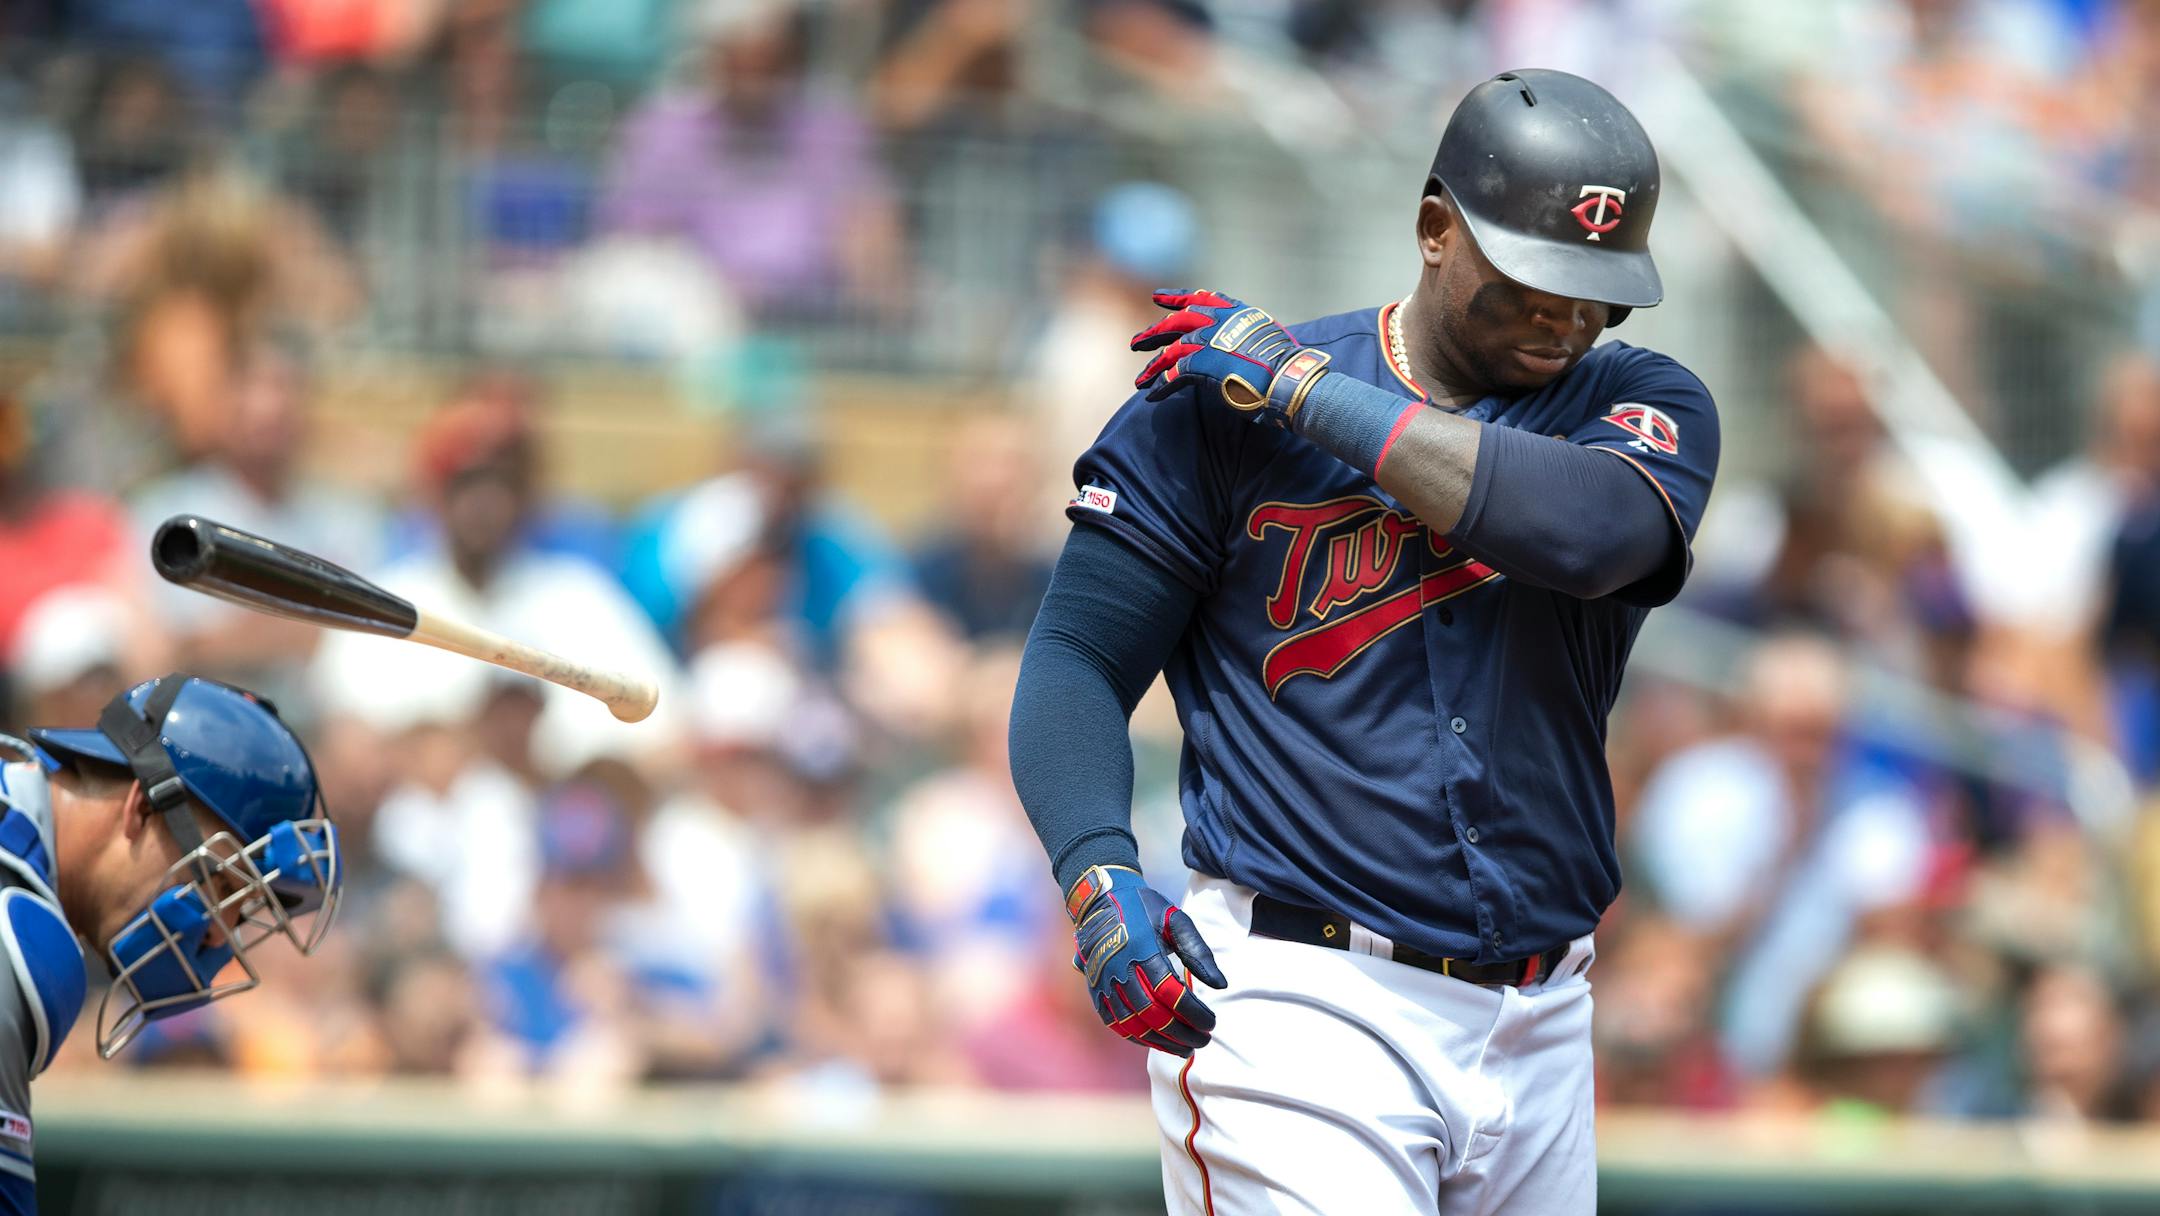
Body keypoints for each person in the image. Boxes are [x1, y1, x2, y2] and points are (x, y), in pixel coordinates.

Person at [1009, 70, 1720, 1213]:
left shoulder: (1635, 400)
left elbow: (1591, 535)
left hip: (1544, 1017)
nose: (1567, 318)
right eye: (1535, 279)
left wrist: (1305, 391)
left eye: (1595, 291)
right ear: (1437, 227)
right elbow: (1078, 659)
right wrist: (1096, 867)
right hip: (1301, 1002)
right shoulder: (1215, 404)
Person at [0, 673, 341, 1211]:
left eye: (241, 909)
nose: (217, 931)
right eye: (220, 883)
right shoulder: (23, 941)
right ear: (140, 806)